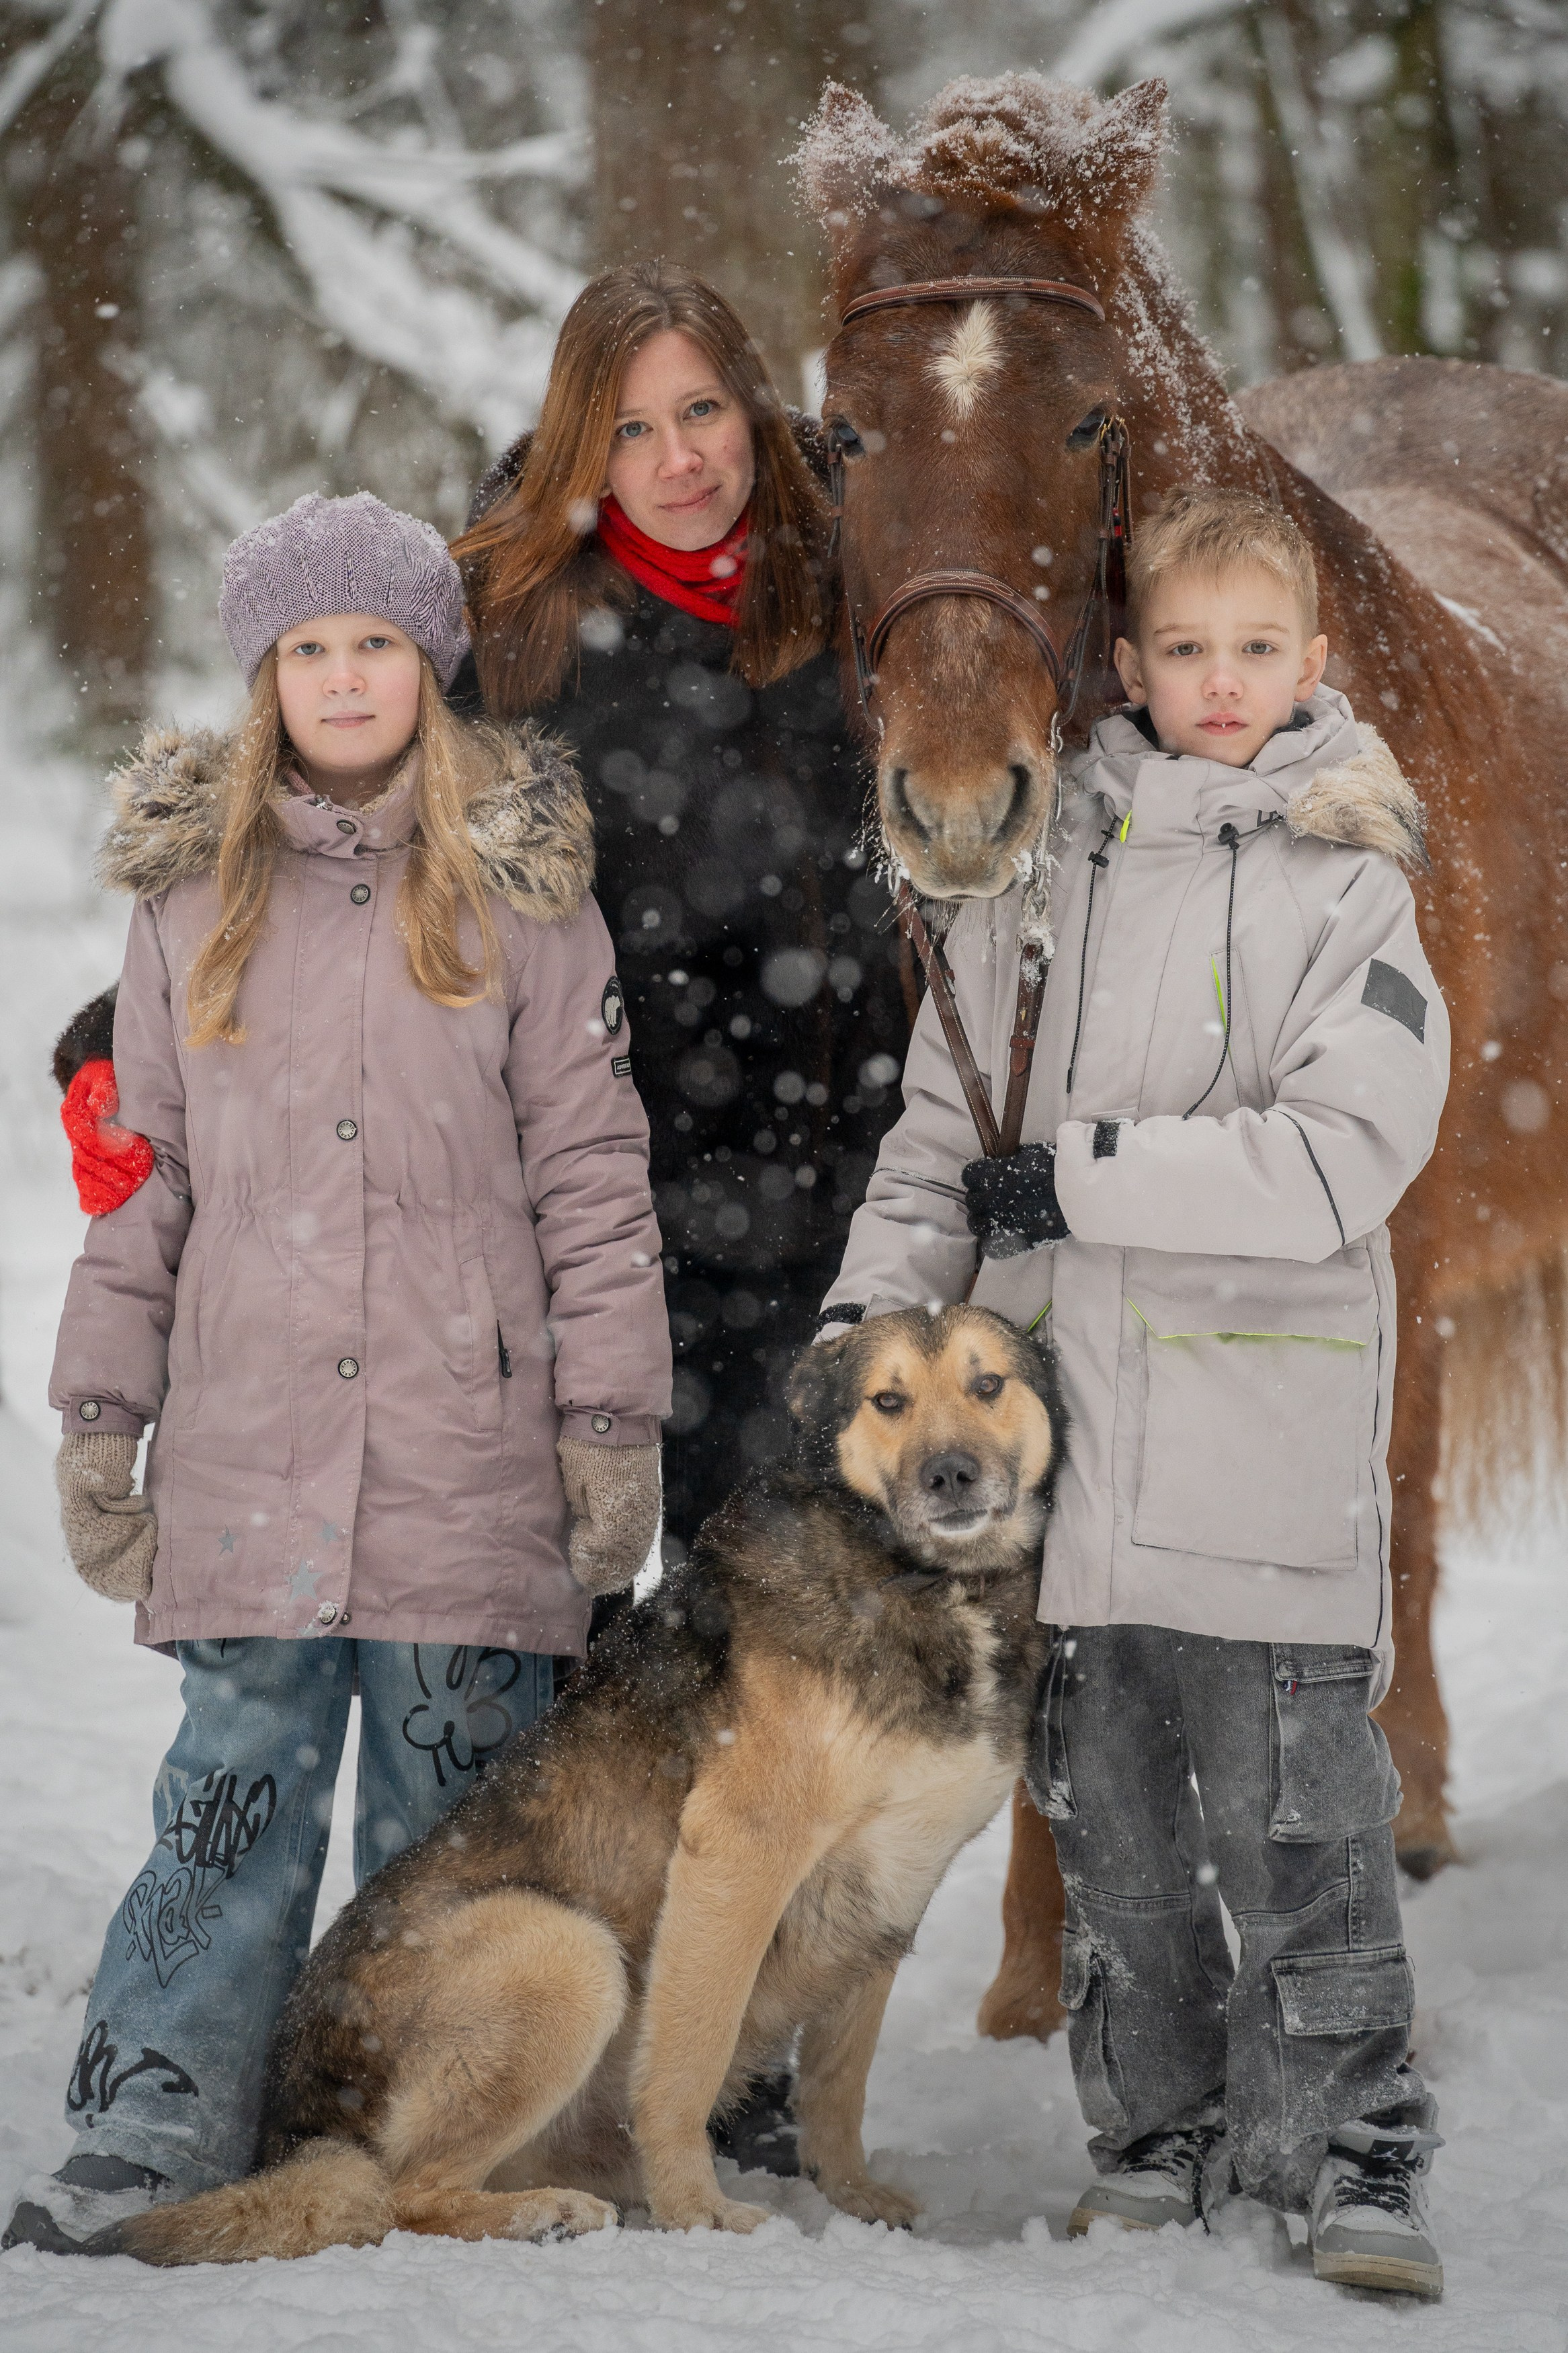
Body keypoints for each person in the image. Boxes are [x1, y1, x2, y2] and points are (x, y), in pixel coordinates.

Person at [3, 493, 671, 2256]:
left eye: (377, 642)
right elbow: (141, 1183)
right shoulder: (189, 899)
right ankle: (152, 2116)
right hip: (251, 1465)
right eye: (311, 648)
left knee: (453, 1851)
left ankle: (426, 2126)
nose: (346, 676)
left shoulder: (526, 896)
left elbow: (595, 1180)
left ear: (429, 668)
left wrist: (609, 1425)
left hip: (474, 1469)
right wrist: (99, 1422)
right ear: (267, 676)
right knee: (227, 1803)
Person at [817, 488, 1450, 2299]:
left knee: (1298, 1827)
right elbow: (943, 1129)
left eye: (1256, 649)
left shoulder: (1352, 881)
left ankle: (1349, 2137)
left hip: (1260, 1461)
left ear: (1312, 664)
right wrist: (870, 1321)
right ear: (1122, 662)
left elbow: (1337, 1155)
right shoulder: (1041, 871)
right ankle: (1151, 2125)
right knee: (1112, 1836)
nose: (1218, 681)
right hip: (1075, 1476)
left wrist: (1080, 1175)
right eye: (1181, 650)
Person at [450, 260, 908, 1563]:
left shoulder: (854, 583)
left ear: (756, 410)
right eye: (631, 431)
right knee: (574, 1644)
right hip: (601, 1209)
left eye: (702, 412)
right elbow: (363, 838)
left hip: (833, 1186)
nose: (680, 463)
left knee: (773, 1637)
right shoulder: (516, 622)